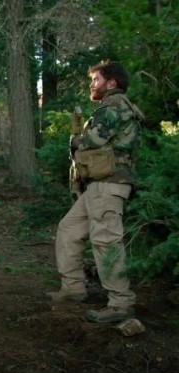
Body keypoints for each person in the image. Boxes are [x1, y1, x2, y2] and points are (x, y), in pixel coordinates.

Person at [47, 60, 144, 323]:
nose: (92, 84)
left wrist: (77, 141)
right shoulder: (117, 105)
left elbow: (96, 139)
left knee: (106, 242)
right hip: (99, 186)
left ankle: (121, 303)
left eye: (96, 79)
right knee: (69, 230)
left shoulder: (113, 104)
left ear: (111, 82)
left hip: (108, 184)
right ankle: (73, 288)